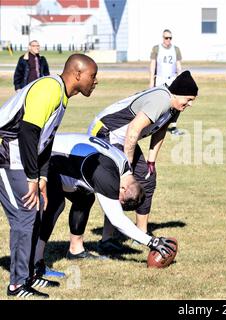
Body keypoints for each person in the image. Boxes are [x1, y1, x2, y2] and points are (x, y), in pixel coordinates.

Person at [0, 53, 98, 298]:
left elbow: (45, 141)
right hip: (5, 154)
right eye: (92, 76)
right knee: (25, 214)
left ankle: (31, 273)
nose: (95, 81)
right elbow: (28, 131)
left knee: (41, 208)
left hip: (19, 157)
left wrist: (42, 178)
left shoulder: (62, 95)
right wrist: (33, 178)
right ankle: (17, 285)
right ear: (77, 74)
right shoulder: (49, 88)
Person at [87, 70, 198, 253]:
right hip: (105, 133)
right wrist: (126, 169)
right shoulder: (161, 100)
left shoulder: (175, 106)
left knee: (147, 179)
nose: (190, 104)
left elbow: (161, 130)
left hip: (124, 139)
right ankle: (107, 239)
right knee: (117, 184)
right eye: (189, 99)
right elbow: (133, 130)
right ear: (177, 93)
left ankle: (141, 234)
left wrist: (151, 162)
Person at [33, 133, 176, 273]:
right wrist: (152, 242)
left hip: (62, 155)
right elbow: (117, 220)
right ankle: (36, 262)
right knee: (54, 205)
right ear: (124, 189)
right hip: (46, 155)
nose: (115, 198)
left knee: (84, 198)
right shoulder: (107, 176)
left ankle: (75, 250)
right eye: (118, 198)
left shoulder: (124, 165)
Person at [149, 29, 184, 136]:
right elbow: (152, 65)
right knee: (159, 102)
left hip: (172, 79)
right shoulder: (156, 48)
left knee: (176, 103)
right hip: (160, 78)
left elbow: (178, 66)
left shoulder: (176, 49)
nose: (168, 40)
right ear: (163, 38)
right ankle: (156, 125)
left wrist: (181, 79)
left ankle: (173, 127)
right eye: (166, 38)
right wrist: (151, 80)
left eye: (170, 38)